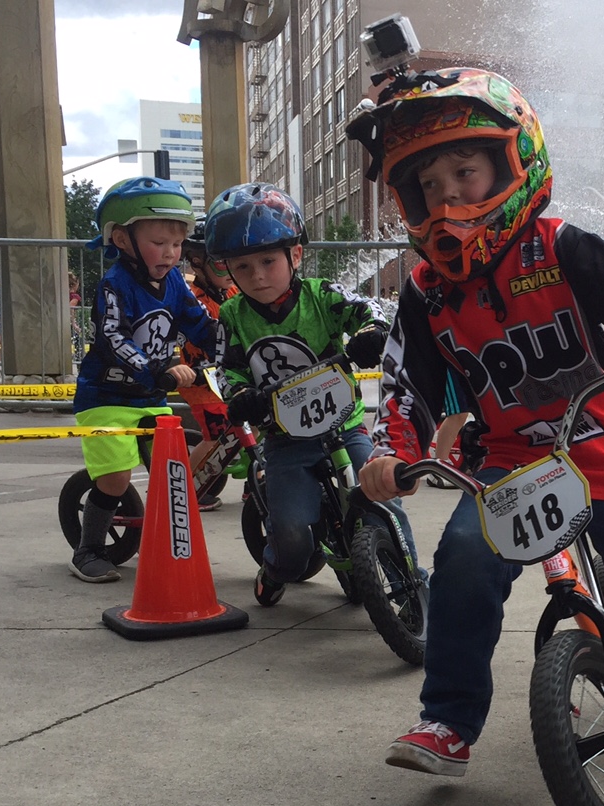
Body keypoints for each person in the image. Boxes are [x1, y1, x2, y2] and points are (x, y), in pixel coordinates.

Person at [347, 66, 604, 779]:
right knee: (464, 559)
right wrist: (388, 453)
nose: (447, 199)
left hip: (602, 446)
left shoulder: (561, 247)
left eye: (464, 172)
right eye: (426, 187)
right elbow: (406, 387)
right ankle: (447, 719)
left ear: (512, 161)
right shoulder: (425, 294)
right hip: (504, 462)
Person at [203, 182, 422, 607]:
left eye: (268, 261)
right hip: (285, 438)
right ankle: (275, 567)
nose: (258, 275)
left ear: (295, 255)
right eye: (242, 267)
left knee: (384, 495)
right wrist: (241, 394)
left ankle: (413, 579)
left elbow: (368, 309)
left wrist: (369, 333)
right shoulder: (232, 315)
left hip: (345, 422)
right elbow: (223, 367)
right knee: (291, 535)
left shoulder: (321, 296)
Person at [69, 177, 219, 583]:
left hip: (149, 396)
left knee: (172, 472)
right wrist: (157, 369)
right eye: (159, 243)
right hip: (105, 396)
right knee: (116, 477)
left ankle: (168, 542)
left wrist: (231, 348)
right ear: (121, 238)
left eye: (177, 245)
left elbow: (197, 322)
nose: (171, 254)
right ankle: (89, 550)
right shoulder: (114, 285)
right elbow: (112, 336)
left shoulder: (173, 283)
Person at [180, 220, 241, 512]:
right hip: (198, 379)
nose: (229, 269)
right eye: (220, 262)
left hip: (224, 375)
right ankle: (178, 490)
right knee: (217, 433)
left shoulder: (231, 295)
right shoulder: (194, 299)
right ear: (196, 261)